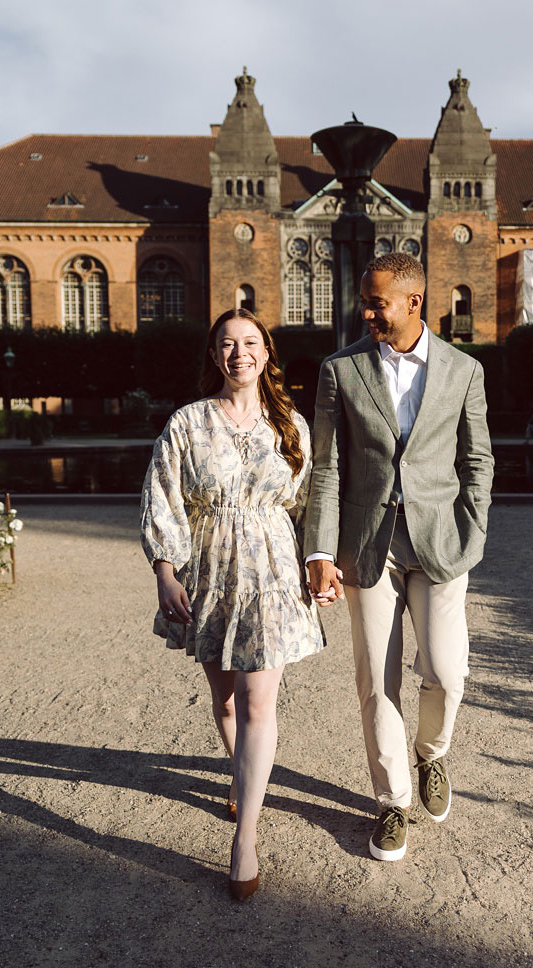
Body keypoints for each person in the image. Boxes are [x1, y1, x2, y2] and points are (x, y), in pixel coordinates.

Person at [304, 253, 494, 862]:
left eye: (377, 301)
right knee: (375, 682)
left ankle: (431, 756)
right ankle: (392, 801)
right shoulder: (341, 370)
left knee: (447, 671)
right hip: (370, 548)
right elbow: (329, 469)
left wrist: (474, 530)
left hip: (441, 543)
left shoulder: (464, 370)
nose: (366, 312)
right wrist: (321, 551)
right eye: (365, 300)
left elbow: (478, 461)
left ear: (413, 302)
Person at [140, 308, 324, 901]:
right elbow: (162, 499)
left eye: (250, 342)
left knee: (256, 700)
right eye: (227, 343)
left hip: (271, 569)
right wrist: (166, 575)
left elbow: (308, 505)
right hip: (210, 570)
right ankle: (242, 779)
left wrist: (319, 563)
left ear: (267, 352)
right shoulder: (188, 423)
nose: (239, 352)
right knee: (224, 701)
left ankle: (244, 836)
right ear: (214, 355)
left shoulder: (290, 424)